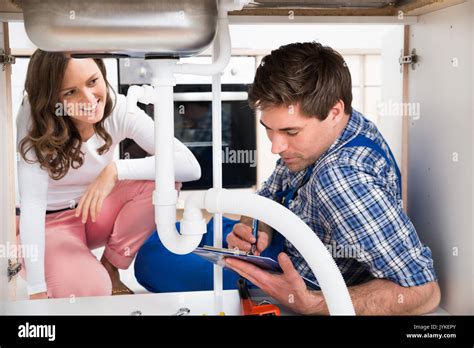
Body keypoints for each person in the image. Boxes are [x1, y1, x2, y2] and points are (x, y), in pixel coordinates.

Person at [225, 42, 441, 315]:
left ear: (334, 112)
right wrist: (257, 226)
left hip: (294, 288)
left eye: (291, 132)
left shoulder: (343, 180)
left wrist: (312, 303)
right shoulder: (337, 129)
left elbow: (423, 292)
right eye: (269, 129)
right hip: (275, 256)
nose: (275, 147)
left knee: (156, 258)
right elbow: (272, 192)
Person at [16, 49, 201, 300]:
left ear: (102, 74)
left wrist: (116, 170)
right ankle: (43, 254)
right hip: (51, 224)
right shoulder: (32, 118)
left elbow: (189, 166)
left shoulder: (119, 108)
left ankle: (110, 266)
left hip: (92, 210)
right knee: (92, 291)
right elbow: (33, 204)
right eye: (70, 92)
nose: (90, 99)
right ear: (51, 100)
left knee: (163, 178)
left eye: (93, 82)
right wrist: (36, 288)